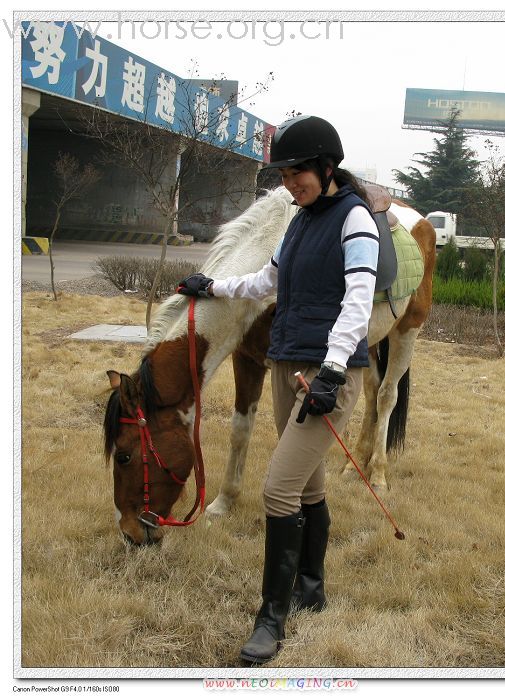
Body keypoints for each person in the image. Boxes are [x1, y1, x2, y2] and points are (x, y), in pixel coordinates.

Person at [177, 115, 380, 665]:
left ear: (327, 167)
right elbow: (267, 281)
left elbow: (358, 298)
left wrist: (334, 371)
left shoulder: (354, 220)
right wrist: (213, 285)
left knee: (278, 490)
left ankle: (273, 617)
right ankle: (311, 587)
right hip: (285, 366)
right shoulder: (298, 221)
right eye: (285, 175)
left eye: (298, 173)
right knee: (308, 488)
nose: (290, 183)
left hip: (326, 377)